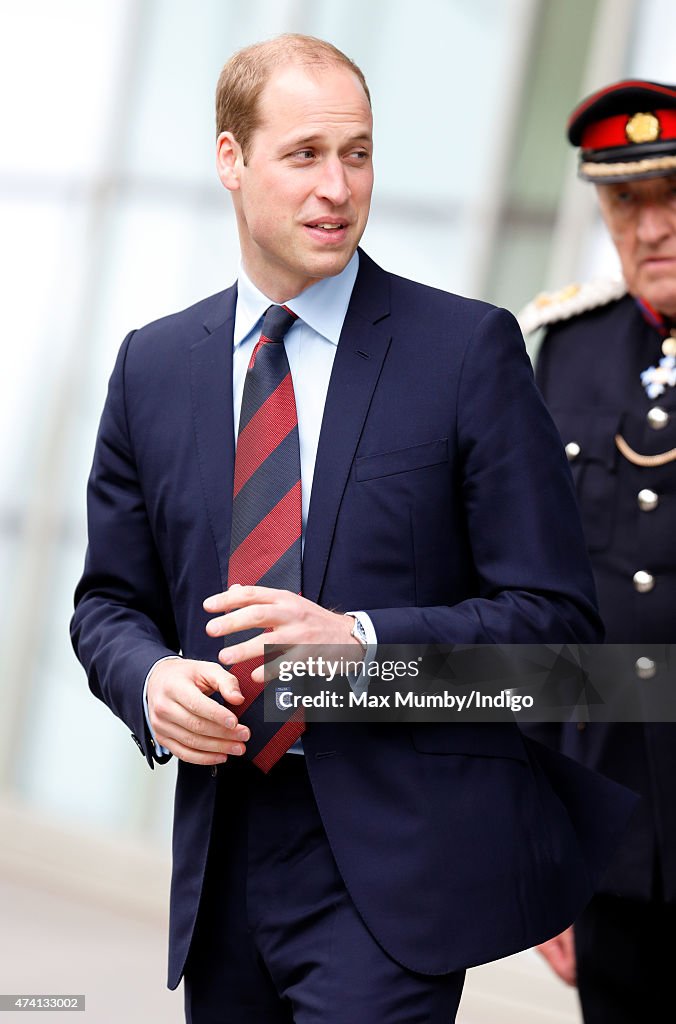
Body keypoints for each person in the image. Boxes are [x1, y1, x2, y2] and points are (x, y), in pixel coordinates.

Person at [71, 36, 634, 1024]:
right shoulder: (151, 369)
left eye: (359, 153)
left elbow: (559, 647)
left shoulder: (466, 353)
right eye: (304, 155)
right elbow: (109, 604)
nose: (338, 186)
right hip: (224, 859)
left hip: (392, 871)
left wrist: (365, 648)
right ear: (230, 161)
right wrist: (151, 681)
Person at [518, 79, 676, 1024]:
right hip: (615, 834)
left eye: (672, 196)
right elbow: (539, 603)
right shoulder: (565, 349)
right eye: (625, 201)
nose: (650, 226)